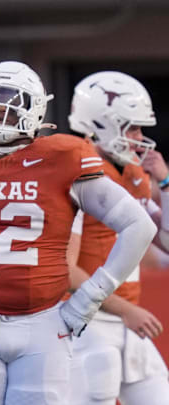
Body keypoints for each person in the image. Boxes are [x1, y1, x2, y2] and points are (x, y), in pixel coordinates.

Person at [0, 61, 157, 405]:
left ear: (34, 110)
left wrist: (90, 298)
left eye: (9, 106)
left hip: (40, 323)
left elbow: (140, 225)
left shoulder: (62, 155)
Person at [66, 70, 169, 405]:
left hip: (126, 320)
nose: (140, 137)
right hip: (87, 323)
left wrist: (165, 186)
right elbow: (65, 269)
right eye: (133, 128)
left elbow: (166, 242)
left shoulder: (132, 173)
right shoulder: (80, 174)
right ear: (102, 125)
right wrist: (126, 310)